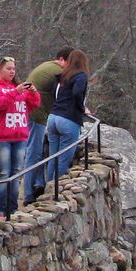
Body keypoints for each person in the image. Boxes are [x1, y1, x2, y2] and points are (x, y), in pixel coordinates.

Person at [0, 56, 41, 221]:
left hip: (19, 136)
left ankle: (12, 209)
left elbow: (34, 104)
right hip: (0, 137)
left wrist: (33, 92)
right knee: (3, 173)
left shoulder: (18, 89)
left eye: (14, 69)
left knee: (16, 173)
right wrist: (15, 92)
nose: (12, 71)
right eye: (8, 68)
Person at [23, 47, 73, 204]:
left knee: (37, 150)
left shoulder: (47, 66)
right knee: (34, 153)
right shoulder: (58, 72)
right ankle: (28, 195)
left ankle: (38, 183)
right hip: (37, 114)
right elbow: (62, 96)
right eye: (70, 62)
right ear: (63, 60)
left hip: (30, 111)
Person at [46, 49, 90, 183]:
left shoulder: (62, 75)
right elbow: (77, 93)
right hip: (68, 119)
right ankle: (55, 191)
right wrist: (82, 108)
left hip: (53, 117)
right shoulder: (81, 76)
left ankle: (49, 185)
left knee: (53, 156)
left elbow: (55, 94)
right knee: (64, 157)